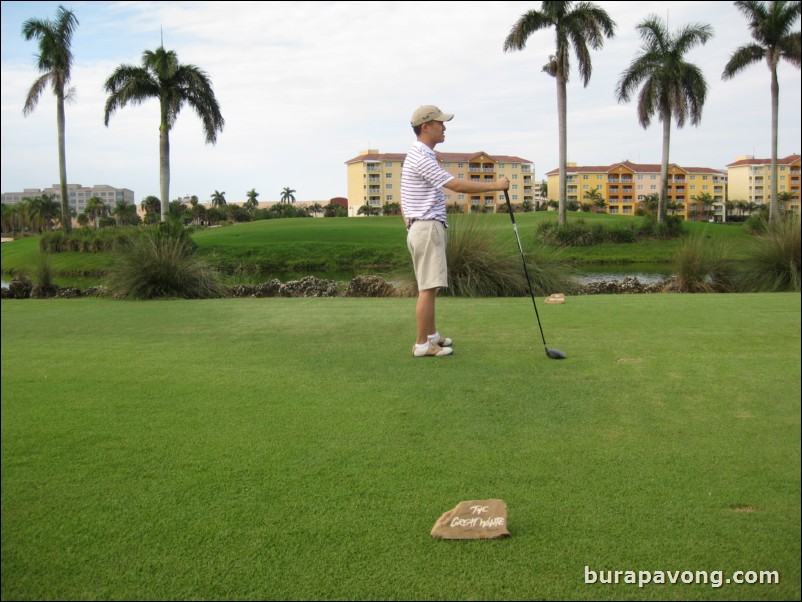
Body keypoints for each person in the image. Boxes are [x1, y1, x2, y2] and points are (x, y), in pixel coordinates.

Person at [401, 105, 510, 358]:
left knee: (432, 286)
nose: (444, 127)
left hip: (422, 226)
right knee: (428, 288)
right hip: (427, 227)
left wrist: (410, 224)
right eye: (440, 123)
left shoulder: (421, 155)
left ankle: (431, 336)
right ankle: (422, 345)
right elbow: (455, 184)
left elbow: (404, 199)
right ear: (426, 126)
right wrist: (495, 185)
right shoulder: (421, 156)